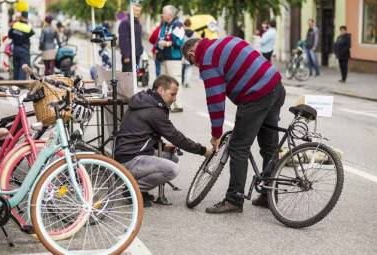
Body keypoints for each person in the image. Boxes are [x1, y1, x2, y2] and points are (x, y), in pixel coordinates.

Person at [182, 37, 286, 214]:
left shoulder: (207, 60)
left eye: (192, 63)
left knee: (238, 147)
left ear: (192, 54)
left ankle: (234, 200)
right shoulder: (226, 41)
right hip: (275, 86)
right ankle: (269, 195)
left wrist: (216, 135)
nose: (196, 67)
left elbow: (215, 101)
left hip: (256, 96)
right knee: (269, 146)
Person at [114, 74, 212, 207]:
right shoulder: (154, 110)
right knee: (172, 169)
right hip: (130, 159)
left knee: (173, 157)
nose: (175, 98)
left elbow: (140, 133)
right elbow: (176, 137)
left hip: (128, 154)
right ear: (160, 90)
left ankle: (137, 188)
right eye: (172, 94)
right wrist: (203, 151)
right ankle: (133, 190)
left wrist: (164, 146)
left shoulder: (145, 101)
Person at [156, 5, 185, 113]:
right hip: (164, 56)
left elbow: (179, 42)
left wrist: (167, 43)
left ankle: (178, 104)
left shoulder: (177, 25)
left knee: (175, 81)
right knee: (164, 82)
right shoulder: (164, 25)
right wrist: (157, 48)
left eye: (163, 12)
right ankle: (166, 103)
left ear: (170, 14)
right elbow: (160, 38)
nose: (162, 15)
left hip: (174, 58)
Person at [8, 11, 34, 80]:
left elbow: (10, 35)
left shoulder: (15, 25)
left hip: (15, 48)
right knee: (23, 66)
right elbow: (32, 33)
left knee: (16, 65)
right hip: (24, 49)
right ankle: (20, 82)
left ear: (21, 17)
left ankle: (15, 81)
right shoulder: (28, 27)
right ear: (27, 17)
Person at [118, 3, 143, 72]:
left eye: (139, 11)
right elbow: (123, 40)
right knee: (127, 77)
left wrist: (141, 50)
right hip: (129, 56)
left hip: (137, 55)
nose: (138, 13)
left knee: (135, 76)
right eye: (136, 10)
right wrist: (126, 56)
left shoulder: (137, 22)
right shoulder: (125, 22)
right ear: (131, 10)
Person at [181, 18, 196, 88]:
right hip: (190, 51)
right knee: (189, 67)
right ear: (190, 24)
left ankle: (182, 81)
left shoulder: (182, 32)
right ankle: (187, 81)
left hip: (182, 51)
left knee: (181, 67)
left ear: (184, 24)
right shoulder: (194, 33)